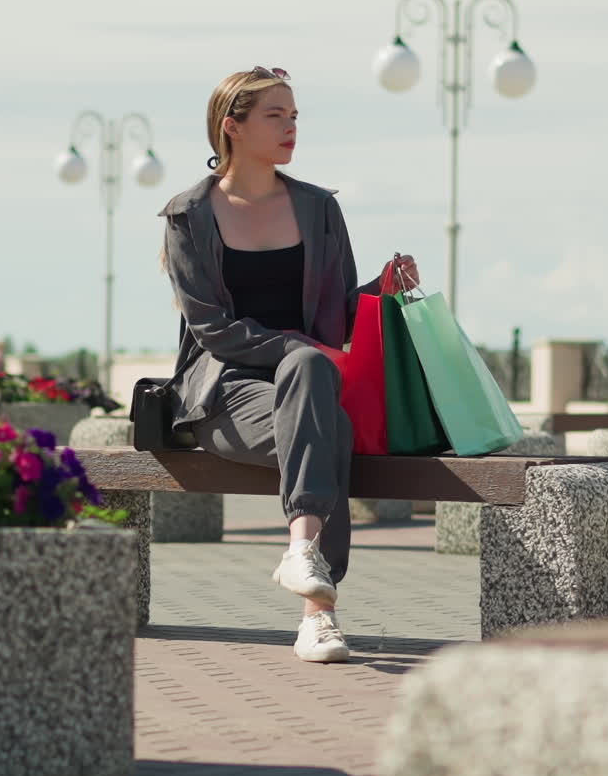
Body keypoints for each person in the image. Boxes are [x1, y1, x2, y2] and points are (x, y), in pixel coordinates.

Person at [158, 66, 419, 664]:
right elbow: (211, 328)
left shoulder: (318, 208)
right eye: (275, 115)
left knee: (317, 393)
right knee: (329, 421)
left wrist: (382, 291)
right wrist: (299, 347)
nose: (290, 126)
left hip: (307, 384)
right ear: (232, 127)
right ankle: (319, 615)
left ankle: (304, 563)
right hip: (223, 393)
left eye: (294, 115)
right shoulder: (188, 215)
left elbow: (339, 312)